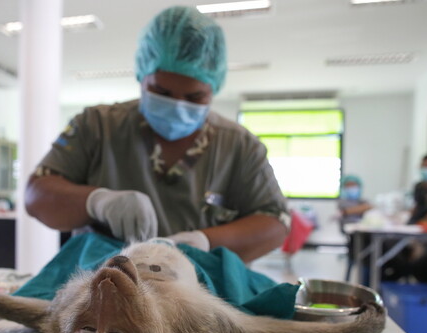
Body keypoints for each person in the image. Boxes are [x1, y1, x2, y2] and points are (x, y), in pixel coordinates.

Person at [25, 6, 290, 263]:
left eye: (194, 97)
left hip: (198, 297)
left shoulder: (239, 146)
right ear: (142, 76)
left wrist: (205, 241)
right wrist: (97, 202)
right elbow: (36, 194)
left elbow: (275, 222)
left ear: (213, 88)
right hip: (101, 291)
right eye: (161, 93)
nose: (176, 104)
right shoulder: (97, 126)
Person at [338, 175, 372, 281]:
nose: (351, 188)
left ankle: (370, 279)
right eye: (348, 186)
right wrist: (363, 208)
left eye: (353, 185)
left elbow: (370, 207)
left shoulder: (362, 200)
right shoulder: (342, 202)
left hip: (366, 233)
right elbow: (347, 211)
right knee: (363, 249)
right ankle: (364, 280)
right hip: (353, 234)